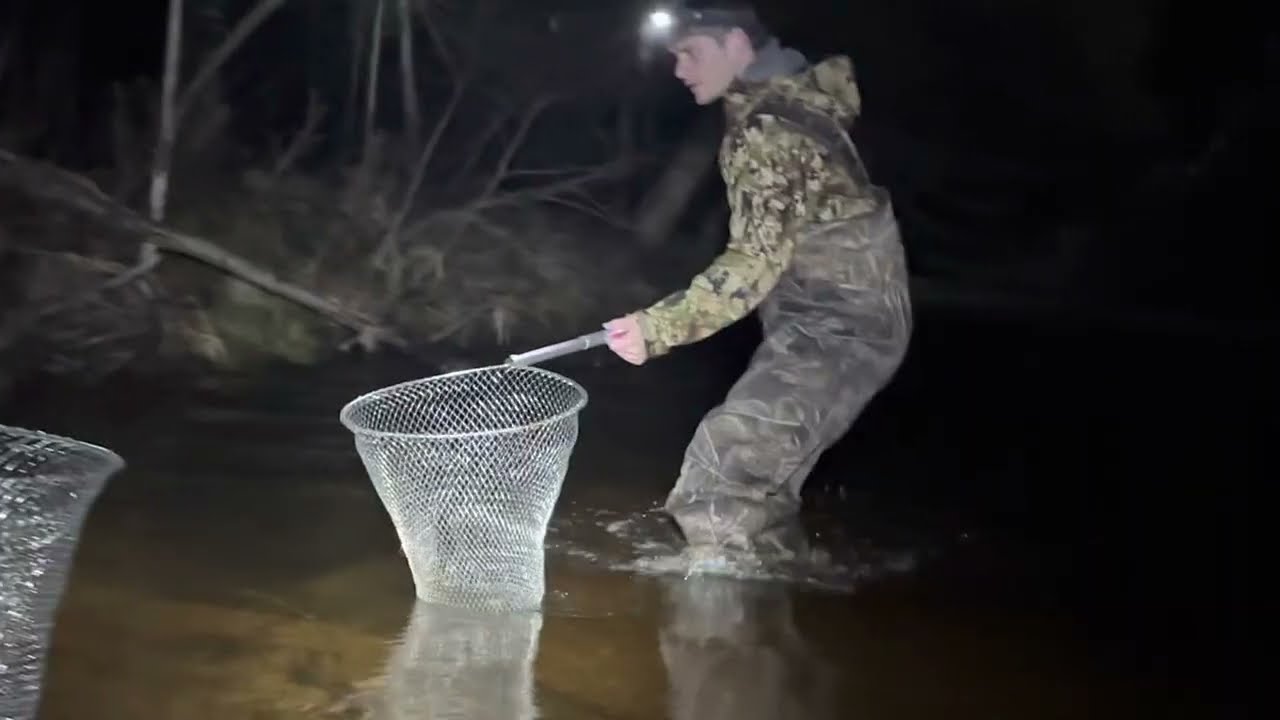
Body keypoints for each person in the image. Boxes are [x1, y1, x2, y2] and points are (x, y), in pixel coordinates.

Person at [604, 1, 913, 567]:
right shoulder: (785, 109)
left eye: (691, 53)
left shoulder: (768, 131)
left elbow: (753, 264)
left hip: (840, 329)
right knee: (760, 491)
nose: (678, 70)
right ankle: (771, 608)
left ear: (738, 46)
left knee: (722, 474)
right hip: (831, 325)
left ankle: (713, 629)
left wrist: (657, 327)